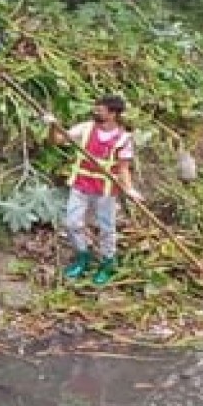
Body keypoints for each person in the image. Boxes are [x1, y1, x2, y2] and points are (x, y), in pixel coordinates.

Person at [44, 95, 143, 285]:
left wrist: (129, 190)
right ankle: (82, 256)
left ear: (113, 114)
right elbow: (56, 140)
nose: (96, 111)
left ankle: (107, 263)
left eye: (101, 109)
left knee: (107, 229)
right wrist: (52, 125)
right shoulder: (86, 127)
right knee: (72, 223)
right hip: (81, 184)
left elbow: (123, 168)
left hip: (105, 189)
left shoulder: (123, 138)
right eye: (96, 108)